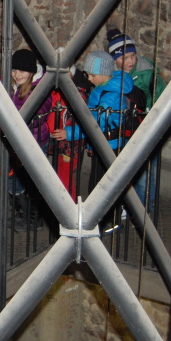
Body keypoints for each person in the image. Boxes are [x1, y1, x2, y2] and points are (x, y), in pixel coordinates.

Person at [52, 51, 133, 233]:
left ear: (105, 73)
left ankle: (105, 221)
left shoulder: (109, 96)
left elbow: (95, 123)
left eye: (92, 75)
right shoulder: (105, 88)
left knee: (101, 187)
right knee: (101, 185)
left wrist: (69, 133)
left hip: (109, 147)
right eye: (88, 74)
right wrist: (91, 145)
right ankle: (103, 219)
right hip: (104, 144)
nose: (89, 79)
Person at [107, 28, 165, 217]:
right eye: (124, 58)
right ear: (115, 59)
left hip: (145, 127)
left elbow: (161, 97)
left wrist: (151, 117)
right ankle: (129, 204)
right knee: (124, 168)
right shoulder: (111, 74)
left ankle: (142, 209)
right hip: (123, 128)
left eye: (132, 56)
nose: (130, 61)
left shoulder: (147, 73)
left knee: (144, 172)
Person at [9, 48, 52, 232]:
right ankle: (24, 214)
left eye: (22, 71)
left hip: (35, 143)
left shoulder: (37, 90)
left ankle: (35, 219)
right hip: (23, 141)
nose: (17, 74)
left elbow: (39, 112)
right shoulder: (19, 88)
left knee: (34, 181)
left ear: (32, 72)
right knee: (22, 179)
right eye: (14, 70)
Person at [46, 60, 94, 200]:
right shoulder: (55, 91)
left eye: (64, 72)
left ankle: (69, 207)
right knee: (59, 178)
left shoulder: (78, 94)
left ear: (71, 73)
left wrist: (68, 133)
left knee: (65, 181)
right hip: (58, 144)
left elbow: (86, 122)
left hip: (70, 146)